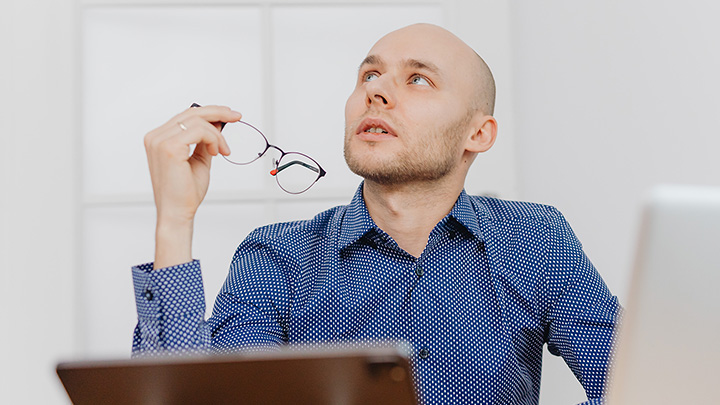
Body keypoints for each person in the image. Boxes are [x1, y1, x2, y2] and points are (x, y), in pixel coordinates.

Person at [132, 23, 621, 404]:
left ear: (479, 134)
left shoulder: (535, 238)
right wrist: (174, 223)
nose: (377, 91)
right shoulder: (276, 257)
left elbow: (644, 392)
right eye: (370, 75)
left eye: (418, 79)